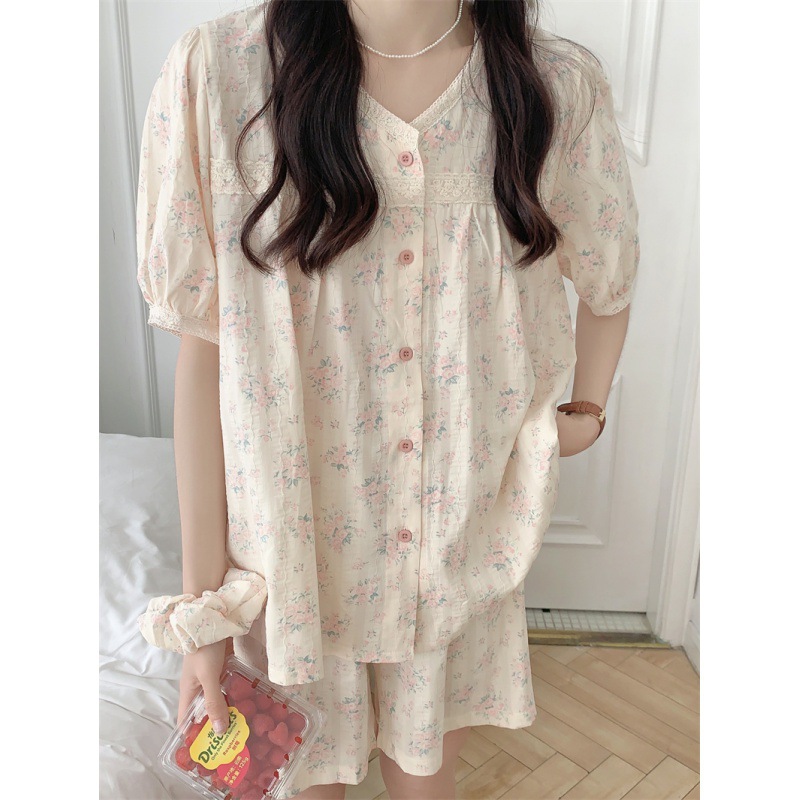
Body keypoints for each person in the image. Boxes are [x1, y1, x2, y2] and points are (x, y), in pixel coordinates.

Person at [134, 0, 640, 798]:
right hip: (291, 558)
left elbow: (609, 274)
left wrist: (586, 412)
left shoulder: (552, 86)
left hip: (456, 540)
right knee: (306, 780)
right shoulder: (220, 75)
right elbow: (205, 354)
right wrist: (206, 616)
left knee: (427, 779)